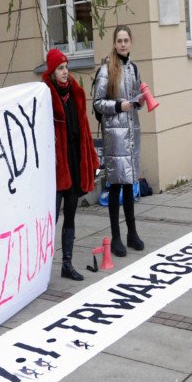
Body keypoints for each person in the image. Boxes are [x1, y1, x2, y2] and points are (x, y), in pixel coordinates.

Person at [42, 48, 100, 281]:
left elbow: (84, 131)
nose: (65, 72)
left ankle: (67, 264)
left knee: (71, 215)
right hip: (56, 168)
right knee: (51, 219)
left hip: (75, 163)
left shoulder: (75, 93)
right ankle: (41, 270)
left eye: (66, 67)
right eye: (60, 68)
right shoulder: (44, 97)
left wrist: (91, 159)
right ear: (51, 72)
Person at [93, 25, 145, 258]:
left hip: (131, 132)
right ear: (114, 43)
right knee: (115, 184)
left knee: (129, 183)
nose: (123, 44)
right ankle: (116, 237)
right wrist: (117, 105)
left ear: (131, 42)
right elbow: (98, 102)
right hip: (115, 135)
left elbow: (133, 98)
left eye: (126, 40)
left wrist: (138, 102)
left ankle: (132, 233)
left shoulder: (134, 68)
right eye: (119, 41)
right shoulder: (106, 69)